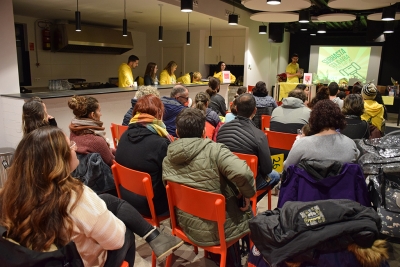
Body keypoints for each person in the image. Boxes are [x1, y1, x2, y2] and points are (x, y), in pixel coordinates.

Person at [0, 126, 184, 267]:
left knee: (107, 200)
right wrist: (110, 218)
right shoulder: (76, 197)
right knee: (126, 230)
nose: (75, 148)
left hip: (35, 257)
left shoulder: (10, 193)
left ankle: (154, 236)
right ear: (58, 161)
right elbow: (116, 240)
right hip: (78, 261)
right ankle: (154, 236)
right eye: (70, 146)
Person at [162, 108, 255, 246]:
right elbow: (243, 173)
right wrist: (248, 194)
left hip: (184, 223)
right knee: (250, 212)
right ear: (204, 132)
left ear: (177, 132)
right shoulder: (215, 150)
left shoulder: (167, 159)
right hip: (219, 230)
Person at [116, 95, 173, 217]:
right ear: (158, 113)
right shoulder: (161, 143)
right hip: (151, 206)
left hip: (126, 198)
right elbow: (172, 177)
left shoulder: (124, 135)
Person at [217, 93, 281, 201]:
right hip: (248, 182)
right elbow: (267, 168)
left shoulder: (222, 129)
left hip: (225, 180)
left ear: (236, 108)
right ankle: (251, 203)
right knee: (275, 175)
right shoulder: (259, 136)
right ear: (255, 111)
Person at [284, 99, 359, 170]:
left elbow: (287, 167)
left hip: (308, 183)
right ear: (339, 118)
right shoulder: (350, 144)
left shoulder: (302, 144)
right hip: (342, 183)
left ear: (313, 119)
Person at [68, 95, 115, 166]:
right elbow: (112, 162)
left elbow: (103, 151)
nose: (101, 114)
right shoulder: (96, 140)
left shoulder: (73, 133)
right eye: (99, 111)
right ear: (93, 115)